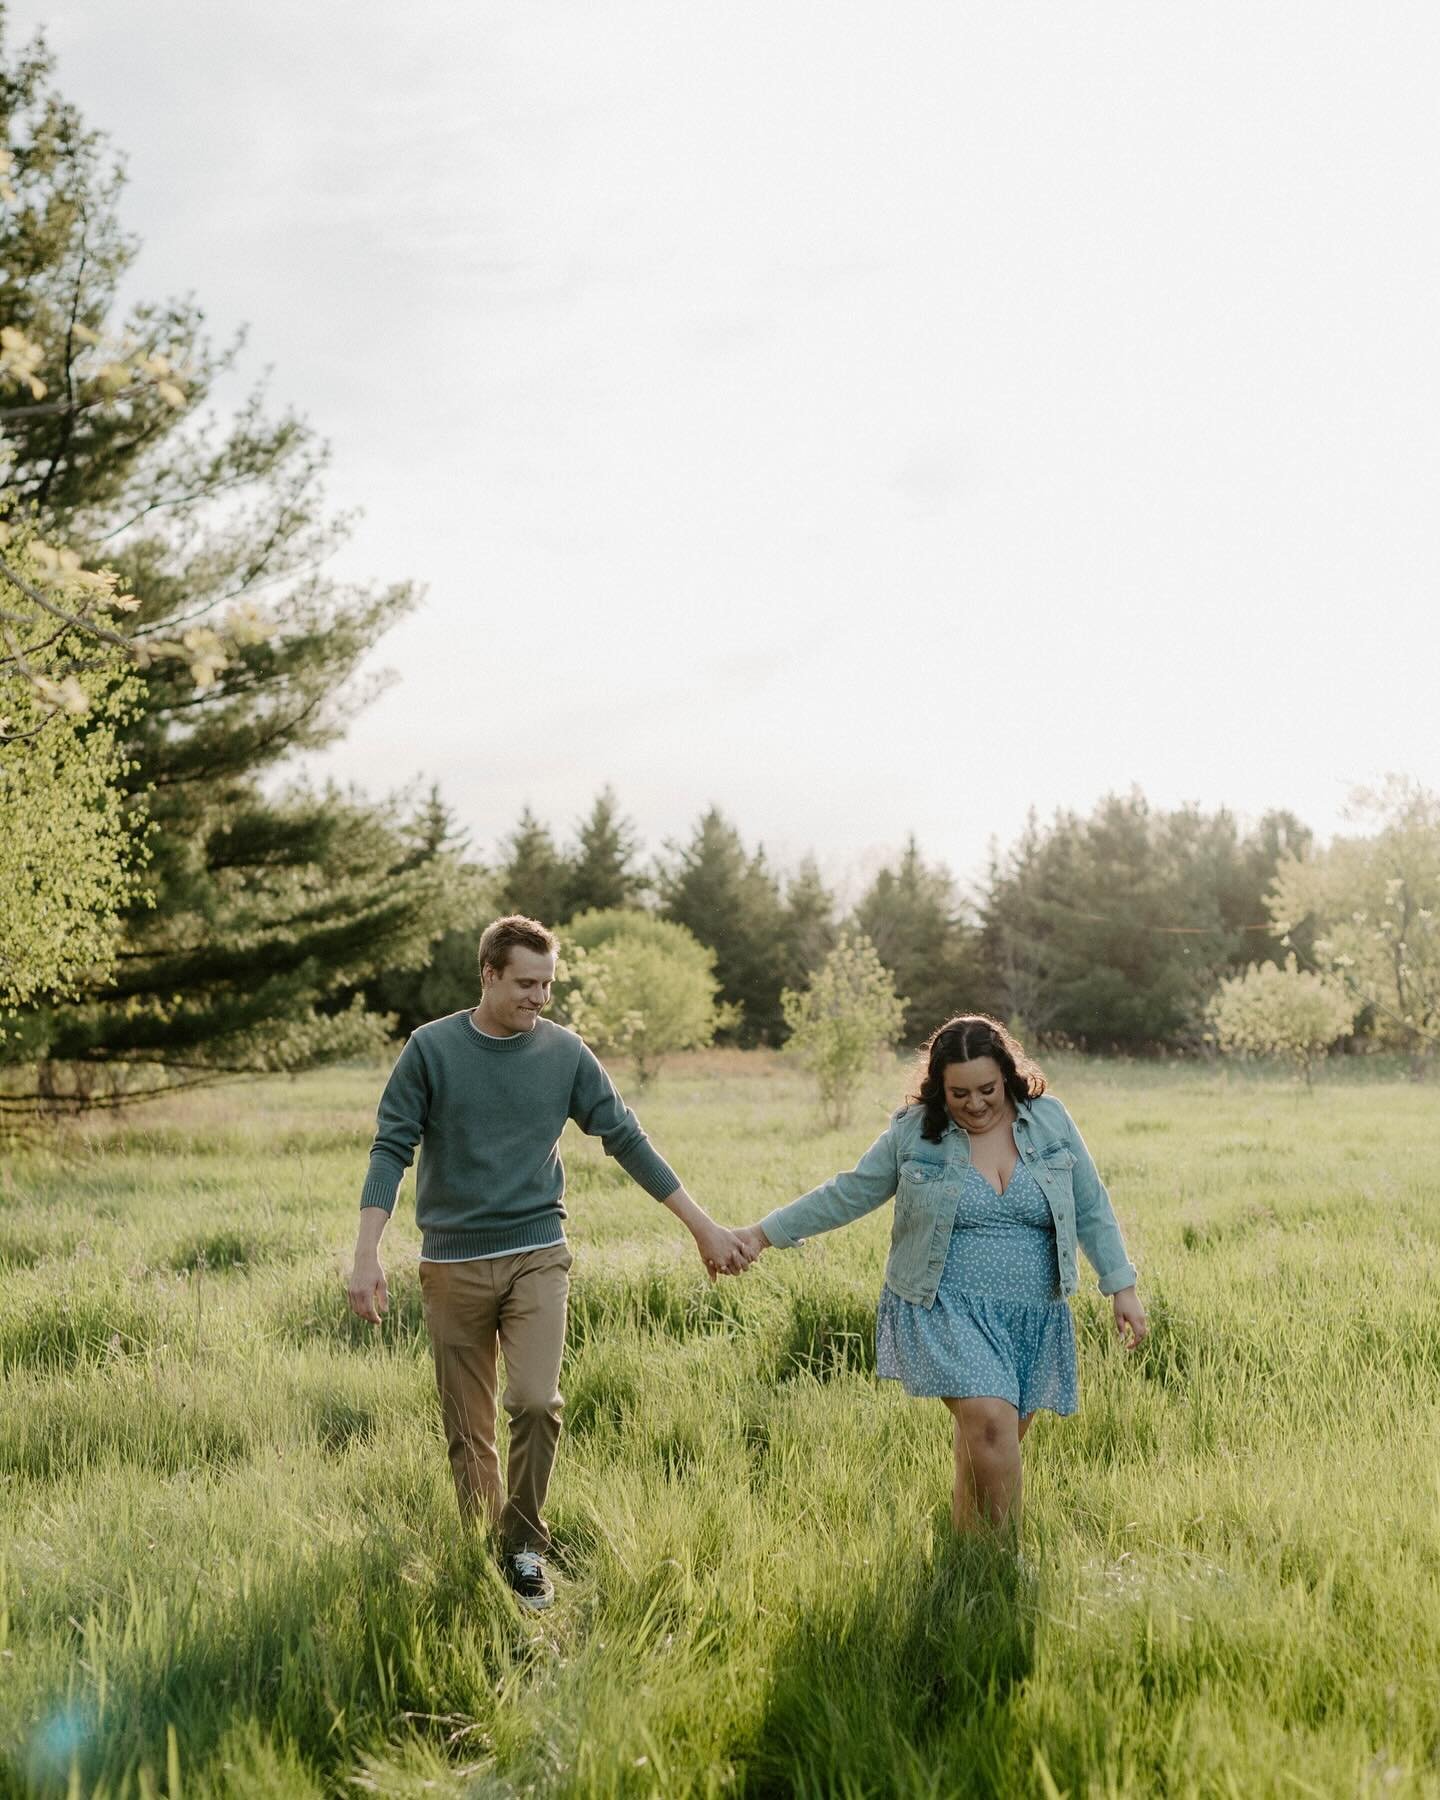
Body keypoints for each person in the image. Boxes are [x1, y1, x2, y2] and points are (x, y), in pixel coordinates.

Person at [347, 914, 753, 1610]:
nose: (539, 998)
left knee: (536, 1403)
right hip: (451, 1264)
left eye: (548, 985)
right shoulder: (431, 1049)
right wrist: (366, 1251)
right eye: (526, 984)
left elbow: (625, 1137)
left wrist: (702, 1226)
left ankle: (524, 1547)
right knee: (467, 1431)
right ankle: (483, 1562)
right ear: (489, 973)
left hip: (538, 1253)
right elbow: (391, 1148)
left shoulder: (565, 1053)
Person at [734, 1014, 1146, 1540]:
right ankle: (1007, 1562)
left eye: (987, 1089)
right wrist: (762, 1234)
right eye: (959, 1093)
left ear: (1008, 1076)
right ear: (938, 1088)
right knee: (993, 1426)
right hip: (945, 1306)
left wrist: (1122, 1287)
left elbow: (1091, 1205)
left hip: (1032, 1313)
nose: (975, 1104)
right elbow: (849, 1192)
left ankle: (966, 1556)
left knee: (988, 1446)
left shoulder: (1050, 1121)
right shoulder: (915, 1133)